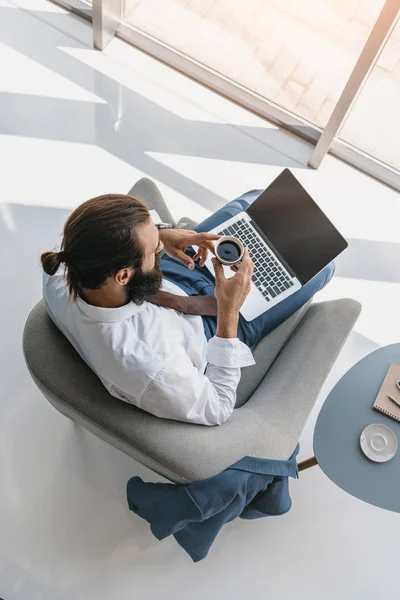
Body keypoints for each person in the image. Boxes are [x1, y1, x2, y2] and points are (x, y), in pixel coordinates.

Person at [41, 179, 334, 426]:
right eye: (154, 250)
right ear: (122, 275)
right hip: (215, 325)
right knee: (322, 262)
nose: (159, 247)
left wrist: (164, 236)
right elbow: (218, 406)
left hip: (167, 279)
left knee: (260, 203)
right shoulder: (150, 368)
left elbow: (81, 236)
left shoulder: (65, 266)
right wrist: (229, 312)